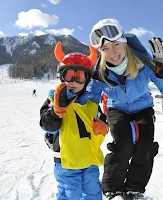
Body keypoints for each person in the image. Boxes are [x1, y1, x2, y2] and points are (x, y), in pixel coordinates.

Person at [88, 18, 163, 199]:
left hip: (143, 107)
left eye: (116, 45)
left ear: (125, 42)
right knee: (122, 146)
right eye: (105, 49)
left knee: (145, 147)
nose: (113, 53)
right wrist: (93, 113)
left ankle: (134, 189)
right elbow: (90, 98)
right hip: (117, 109)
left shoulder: (142, 62)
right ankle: (112, 189)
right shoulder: (100, 72)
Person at [39, 43, 109, 200]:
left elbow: (104, 126)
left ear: (87, 80)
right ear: (62, 76)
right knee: (70, 195)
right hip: (67, 163)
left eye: (80, 77)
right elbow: (46, 125)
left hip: (90, 161)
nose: (74, 82)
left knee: (93, 194)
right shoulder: (54, 99)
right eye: (69, 75)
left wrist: (103, 128)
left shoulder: (92, 104)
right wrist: (56, 113)